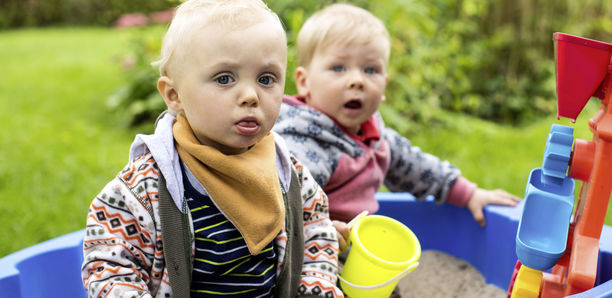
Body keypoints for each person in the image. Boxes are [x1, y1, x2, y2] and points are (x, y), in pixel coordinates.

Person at [81, 1, 344, 297]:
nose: (250, 96)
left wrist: (316, 285)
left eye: (266, 79)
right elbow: (108, 264)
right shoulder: (145, 188)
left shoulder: (286, 172)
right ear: (174, 95)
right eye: (224, 79)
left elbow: (317, 231)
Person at [272, 3, 521, 252]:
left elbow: (417, 168)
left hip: (354, 247)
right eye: (339, 68)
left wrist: (469, 194)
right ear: (304, 82)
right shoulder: (304, 140)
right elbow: (284, 201)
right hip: (308, 252)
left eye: (371, 70)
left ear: (385, 84)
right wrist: (317, 227)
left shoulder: (374, 135)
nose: (358, 80)